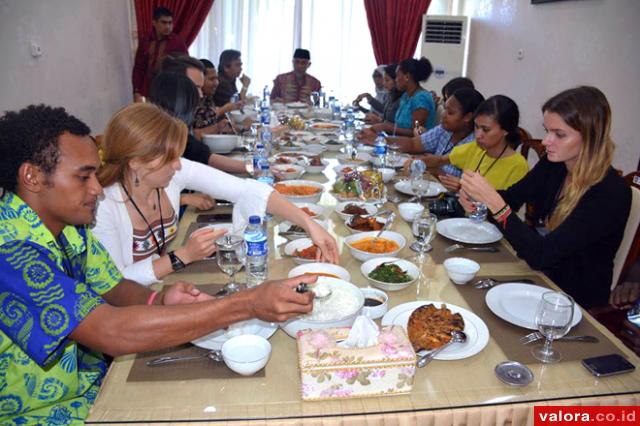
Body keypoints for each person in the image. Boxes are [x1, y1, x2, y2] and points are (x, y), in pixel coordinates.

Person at [0, 104, 317, 424]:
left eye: (95, 175)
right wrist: (247, 304)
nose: (97, 189)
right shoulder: (9, 253)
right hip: (41, 414)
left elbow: (113, 284)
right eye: (84, 177)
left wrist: (159, 300)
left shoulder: (68, 228)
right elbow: (110, 330)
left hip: (90, 385)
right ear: (32, 177)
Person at [93, 103, 339, 286]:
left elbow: (247, 190)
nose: (177, 165)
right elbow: (115, 283)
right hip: (130, 309)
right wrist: (183, 256)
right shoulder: (103, 205)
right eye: (169, 158)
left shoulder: (172, 174)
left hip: (163, 285)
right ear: (135, 163)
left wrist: (310, 225)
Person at [460, 86, 632, 309]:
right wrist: (479, 202)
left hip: (571, 298)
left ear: (591, 137)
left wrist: (494, 204)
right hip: (535, 275)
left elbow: (542, 254)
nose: (545, 141)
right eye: (547, 130)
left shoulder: (610, 192)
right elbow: (511, 198)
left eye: (559, 134)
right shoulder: (554, 166)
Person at [407, 95, 528, 192]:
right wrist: (417, 162)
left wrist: (462, 188)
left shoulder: (518, 165)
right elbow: (439, 160)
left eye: (485, 130)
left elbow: (505, 208)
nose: (478, 135)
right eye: (476, 127)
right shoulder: (475, 147)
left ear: (505, 131)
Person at [149, 71, 246, 174]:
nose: (200, 94)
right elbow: (201, 154)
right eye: (196, 87)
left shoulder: (159, 129)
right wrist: (254, 167)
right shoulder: (168, 139)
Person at [388, 88, 484, 187]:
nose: (443, 114)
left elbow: (462, 185)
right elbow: (413, 144)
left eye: (450, 112)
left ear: (467, 117)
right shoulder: (444, 129)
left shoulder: (476, 144)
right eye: (445, 108)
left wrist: (433, 169)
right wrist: (383, 140)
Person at [366, 57, 435, 137]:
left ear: (407, 77)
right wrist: (383, 124)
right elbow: (399, 125)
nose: (396, 80)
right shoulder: (406, 95)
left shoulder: (421, 99)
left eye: (397, 75)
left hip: (413, 146)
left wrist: (388, 127)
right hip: (399, 141)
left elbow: (416, 131)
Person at [132, 7, 187, 101]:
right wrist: (136, 91)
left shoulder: (177, 42)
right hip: (148, 91)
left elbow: (186, 66)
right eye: (164, 22)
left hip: (170, 92)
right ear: (154, 22)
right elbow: (139, 68)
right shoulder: (146, 42)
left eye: (170, 23)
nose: (168, 26)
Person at [193, 59, 243, 130]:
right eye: (211, 79)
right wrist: (224, 109)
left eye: (216, 78)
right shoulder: (192, 100)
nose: (216, 83)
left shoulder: (208, 96)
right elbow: (198, 129)